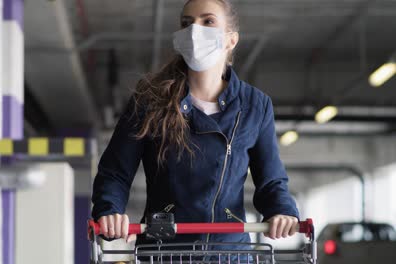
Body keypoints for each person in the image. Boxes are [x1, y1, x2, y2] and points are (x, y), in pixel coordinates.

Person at [91, 0, 299, 248]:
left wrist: (282, 211)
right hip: (164, 251)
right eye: (186, 23)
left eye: (208, 21)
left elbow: (271, 180)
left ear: (231, 40)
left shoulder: (255, 105)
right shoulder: (150, 100)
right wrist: (109, 211)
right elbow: (115, 171)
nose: (194, 31)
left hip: (229, 253)